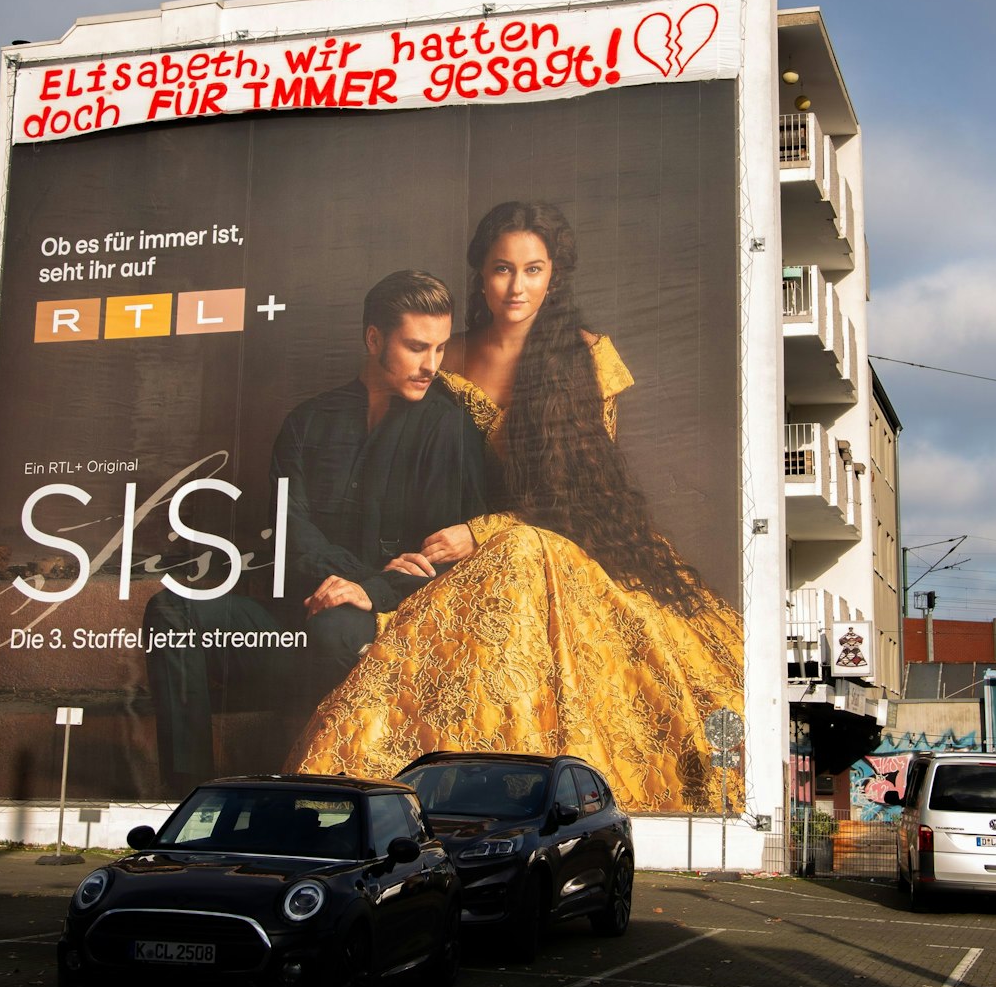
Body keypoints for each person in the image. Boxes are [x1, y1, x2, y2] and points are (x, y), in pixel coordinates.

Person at [288, 201, 744, 812]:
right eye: (503, 269)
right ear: (480, 274)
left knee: (524, 555)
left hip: (567, 536)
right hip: (449, 542)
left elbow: (584, 493)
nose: (517, 286)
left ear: (554, 276)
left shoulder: (586, 356)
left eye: (534, 270)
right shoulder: (442, 356)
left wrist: (483, 531)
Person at [145, 270, 486, 793]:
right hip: (295, 625)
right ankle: (188, 797)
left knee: (336, 631)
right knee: (172, 611)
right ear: (374, 338)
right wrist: (357, 579)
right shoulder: (307, 422)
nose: (431, 365)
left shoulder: (448, 428)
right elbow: (291, 535)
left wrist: (369, 591)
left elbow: (443, 559)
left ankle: (322, 789)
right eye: (417, 347)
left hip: (383, 629)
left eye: (439, 348)